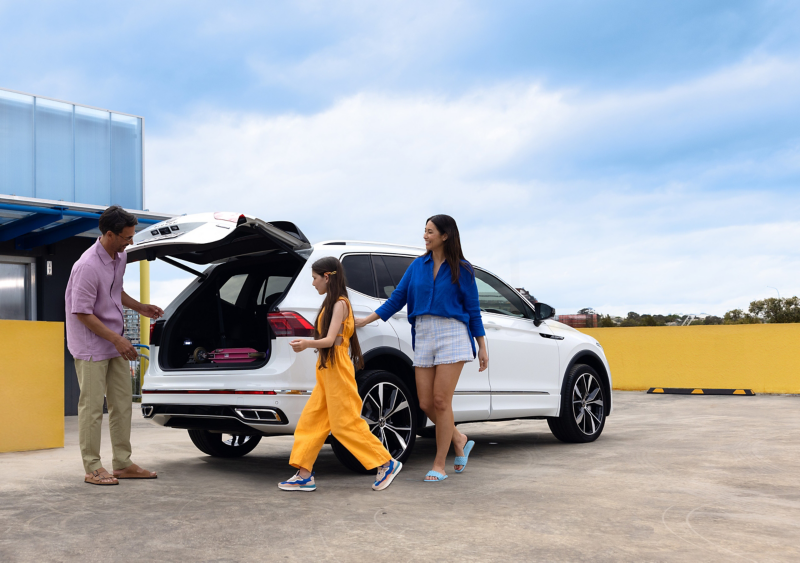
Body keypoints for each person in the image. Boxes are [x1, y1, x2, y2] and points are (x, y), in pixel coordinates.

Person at [355, 215, 488, 482]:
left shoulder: (462, 269)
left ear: (445, 235)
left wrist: (481, 345)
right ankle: (459, 438)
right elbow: (397, 299)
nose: (425, 236)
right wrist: (366, 320)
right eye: (424, 231)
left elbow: (473, 310)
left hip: (453, 333)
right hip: (424, 335)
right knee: (425, 402)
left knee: (441, 401)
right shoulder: (417, 266)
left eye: (430, 232)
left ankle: (439, 464)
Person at [278, 257, 402, 492]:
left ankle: (387, 462)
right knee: (310, 422)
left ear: (327, 277)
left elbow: (329, 340)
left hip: (337, 368)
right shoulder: (331, 303)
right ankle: (304, 475)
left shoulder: (339, 304)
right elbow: (338, 336)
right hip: (327, 370)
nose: (313, 283)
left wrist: (305, 343)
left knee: (345, 424)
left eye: (315, 278)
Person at [65, 205, 164, 486]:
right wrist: (118, 339)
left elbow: (115, 290)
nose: (130, 241)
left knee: (122, 404)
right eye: (126, 237)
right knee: (92, 407)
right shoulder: (85, 266)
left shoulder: (119, 257)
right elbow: (82, 312)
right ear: (109, 234)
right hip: (91, 345)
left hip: (114, 342)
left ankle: (122, 463)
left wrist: (140, 307)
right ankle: (93, 467)